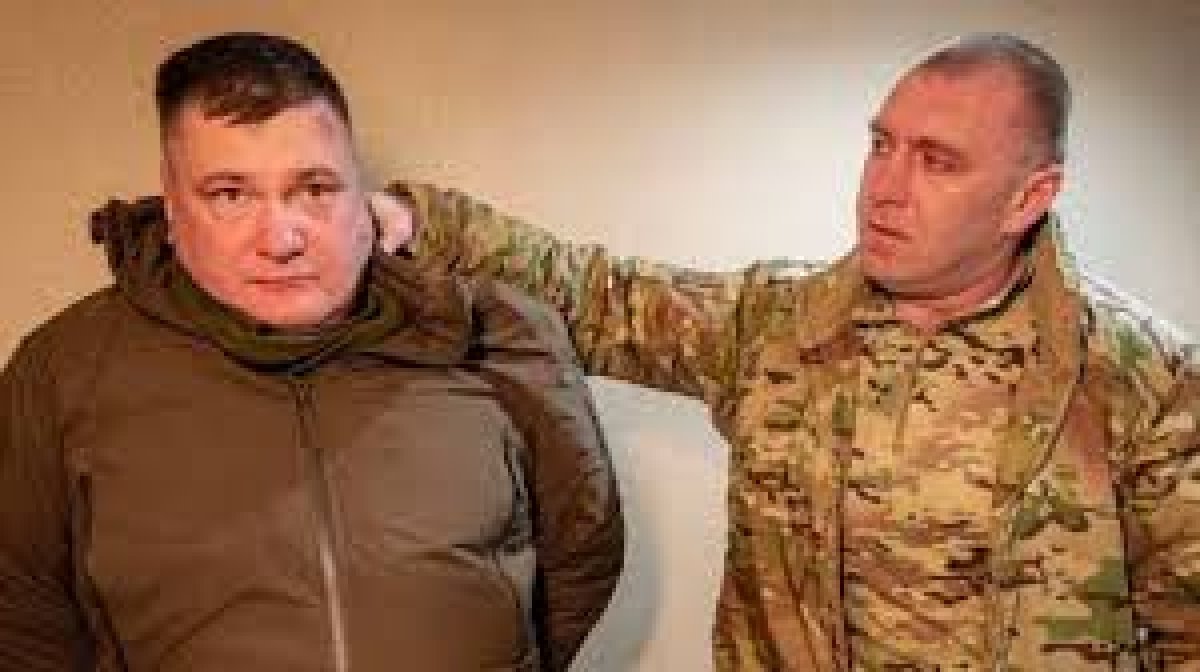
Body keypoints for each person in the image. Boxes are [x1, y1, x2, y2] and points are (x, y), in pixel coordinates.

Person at [369, 32, 1199, 669]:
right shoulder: (782, 324)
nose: (886, 189)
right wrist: (423, 225)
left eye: (938, 162)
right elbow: (601, 297)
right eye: (882, 145)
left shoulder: (1141, 378)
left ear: (1029, 197)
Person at [0, 32, 624, 672]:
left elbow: (579, 557)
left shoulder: (493, 333)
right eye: (230, 194)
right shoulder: (66, 368)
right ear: (172, 206)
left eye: (314, 188)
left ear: (361, 196)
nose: (281, 239)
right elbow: (24, 624)